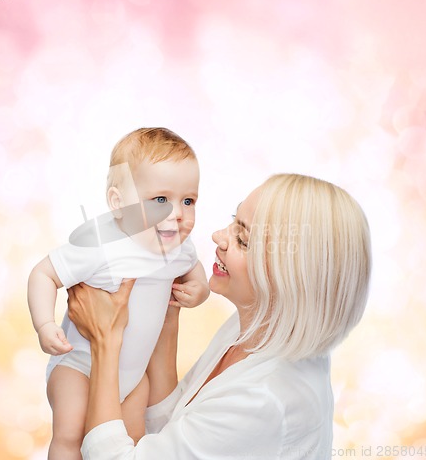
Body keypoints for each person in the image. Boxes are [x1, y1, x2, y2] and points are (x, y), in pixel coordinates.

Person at [66, 173, 372, 459]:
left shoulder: (265, 400)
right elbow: (175, 428)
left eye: (242, 240)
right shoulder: (259, 327)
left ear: (290, 278)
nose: (217, 237)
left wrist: (105, 340)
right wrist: (167, 316)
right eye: (233, 222)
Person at [27, 128, 210, 460]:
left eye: (188, 200)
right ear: (118, 203)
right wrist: (44, 324)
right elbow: (43, 273)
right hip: (79, 366)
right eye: (160, 200)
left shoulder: (179, 248)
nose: (178, 213)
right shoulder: (99, 247)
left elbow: (195, 273)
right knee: (70, 436)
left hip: (133, 376)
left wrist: (199, 291)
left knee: (132, 441)